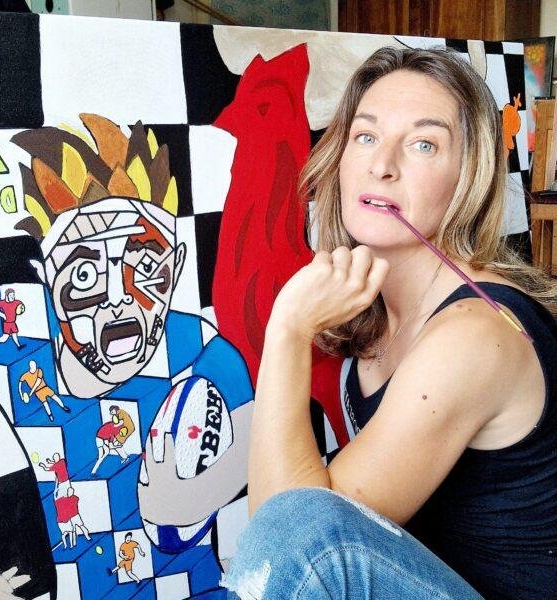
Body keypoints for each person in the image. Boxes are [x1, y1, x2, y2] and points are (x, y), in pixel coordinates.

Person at [224, 47, 557, 600]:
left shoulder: (473, 335)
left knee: (309, 545)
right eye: (366, 136)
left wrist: (288, 330)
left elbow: (289, 544)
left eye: (423, 144)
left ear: (467, 177)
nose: (382, 165)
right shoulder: (375, 309)